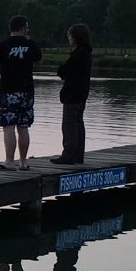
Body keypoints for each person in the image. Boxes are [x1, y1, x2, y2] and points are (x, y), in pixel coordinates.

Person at [0, 15, 42, 171]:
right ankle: (23, 162)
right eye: (27, 26)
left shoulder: (2, 46)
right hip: (27, 91)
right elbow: (38, 62)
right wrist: (28, 43)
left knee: (9, 126)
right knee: (23, 126)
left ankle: (9, 161)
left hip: (9, 91)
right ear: (23, 27)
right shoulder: (30, 44)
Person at [52, 23, 93, 165]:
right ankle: (78, 155)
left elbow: (64, 72)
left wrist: (60, 69)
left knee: (69, 125)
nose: (68, 38)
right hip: (82, 95)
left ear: (75, 37)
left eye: (70, 35)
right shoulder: (87, 54)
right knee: (78, 124)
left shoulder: (77, 55)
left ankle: (68, 155)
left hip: (72, 95)